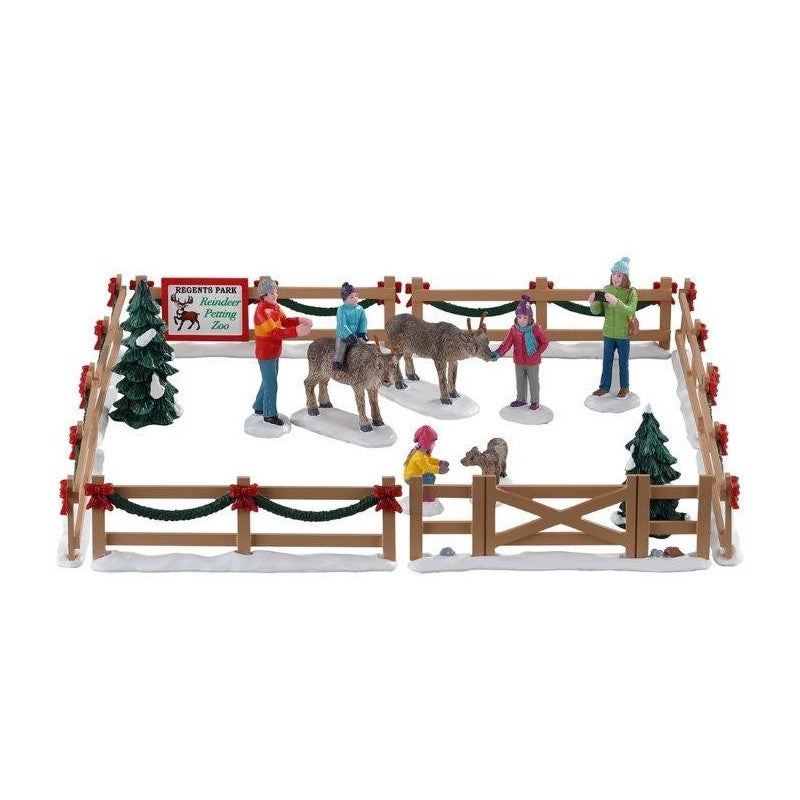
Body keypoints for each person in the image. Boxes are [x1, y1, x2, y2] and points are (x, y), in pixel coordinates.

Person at [253, 276, 312, 424]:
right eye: (273, 293)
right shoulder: (262, 312)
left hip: (274, 352)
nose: (276, 295)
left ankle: (259, 406)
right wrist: (296, 331)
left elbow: (284, 321)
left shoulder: (275, 307)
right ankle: (269, 414)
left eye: (276, 292)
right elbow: (275, 332)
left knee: (268, 381)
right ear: (265, 295)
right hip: (266, 353)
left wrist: (299, 320)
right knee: (271, 384)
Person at [588, 256, 638, 399]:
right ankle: (604, 387)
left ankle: (624, 388)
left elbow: (630, 310)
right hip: (608, 333)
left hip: (623, 334)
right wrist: (593, 303)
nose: (615, 277)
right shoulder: (606, 289)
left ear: (625, 277)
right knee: (606, 361)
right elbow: (597, 311)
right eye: (613, 274)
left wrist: (617, 303)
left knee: (623, 362)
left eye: (619, 275)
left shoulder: (631, 292)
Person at [490, 294, 549, 410]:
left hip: (532, 361)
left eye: (525, 318)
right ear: (516, 317)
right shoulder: (514, 330)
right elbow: (506, 343)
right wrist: (498, 353)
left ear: (530, 318)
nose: (522, 320)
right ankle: (521, 399)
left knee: (533, 382)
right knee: (520, 381)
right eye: (520, 317)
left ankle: (535, 401)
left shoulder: (536, 329)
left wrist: (537, 353)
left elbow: (545, 342)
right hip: (519, 361)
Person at [402, 425, 449, 502]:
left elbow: (428, 460)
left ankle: (425, 493)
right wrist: (439, 469)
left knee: (429, 476)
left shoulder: (421, 452)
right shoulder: (419, 455)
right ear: (427, 443)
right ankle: (424, 496)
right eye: (432, 443)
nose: (434, 445)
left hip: (414, 476)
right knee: (430, 477)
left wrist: (439, 462)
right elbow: (426, 467)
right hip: (412, 479)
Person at [333, 282, 368, 370]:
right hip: (343, 336)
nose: (355, 298)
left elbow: (363, 321)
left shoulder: (360, 309)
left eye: (356, 296)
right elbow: (342, 324)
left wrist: (362, 332)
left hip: (356, 335)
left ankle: (365, 362)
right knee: (340, 349)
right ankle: (337, 362)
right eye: (351, 297)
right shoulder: (341, 310)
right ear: (345, 299)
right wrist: (348, 335)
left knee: (364, 345)